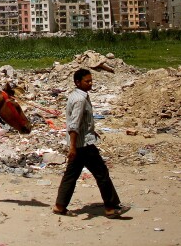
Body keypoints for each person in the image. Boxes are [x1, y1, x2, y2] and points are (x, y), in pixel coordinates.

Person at [52, 68, 127, 218]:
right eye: (87, 81)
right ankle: (111, 208)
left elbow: (81, 122)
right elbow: (74, 125)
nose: (90, 84)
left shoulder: (77, 95)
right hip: (83, 145)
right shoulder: (80, 99)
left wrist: (91, 131)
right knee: (101, 173)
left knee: (71, 175)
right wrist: (72, 147)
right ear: (77, 82)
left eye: (91, 80)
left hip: (81, 143)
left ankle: (60, 206)